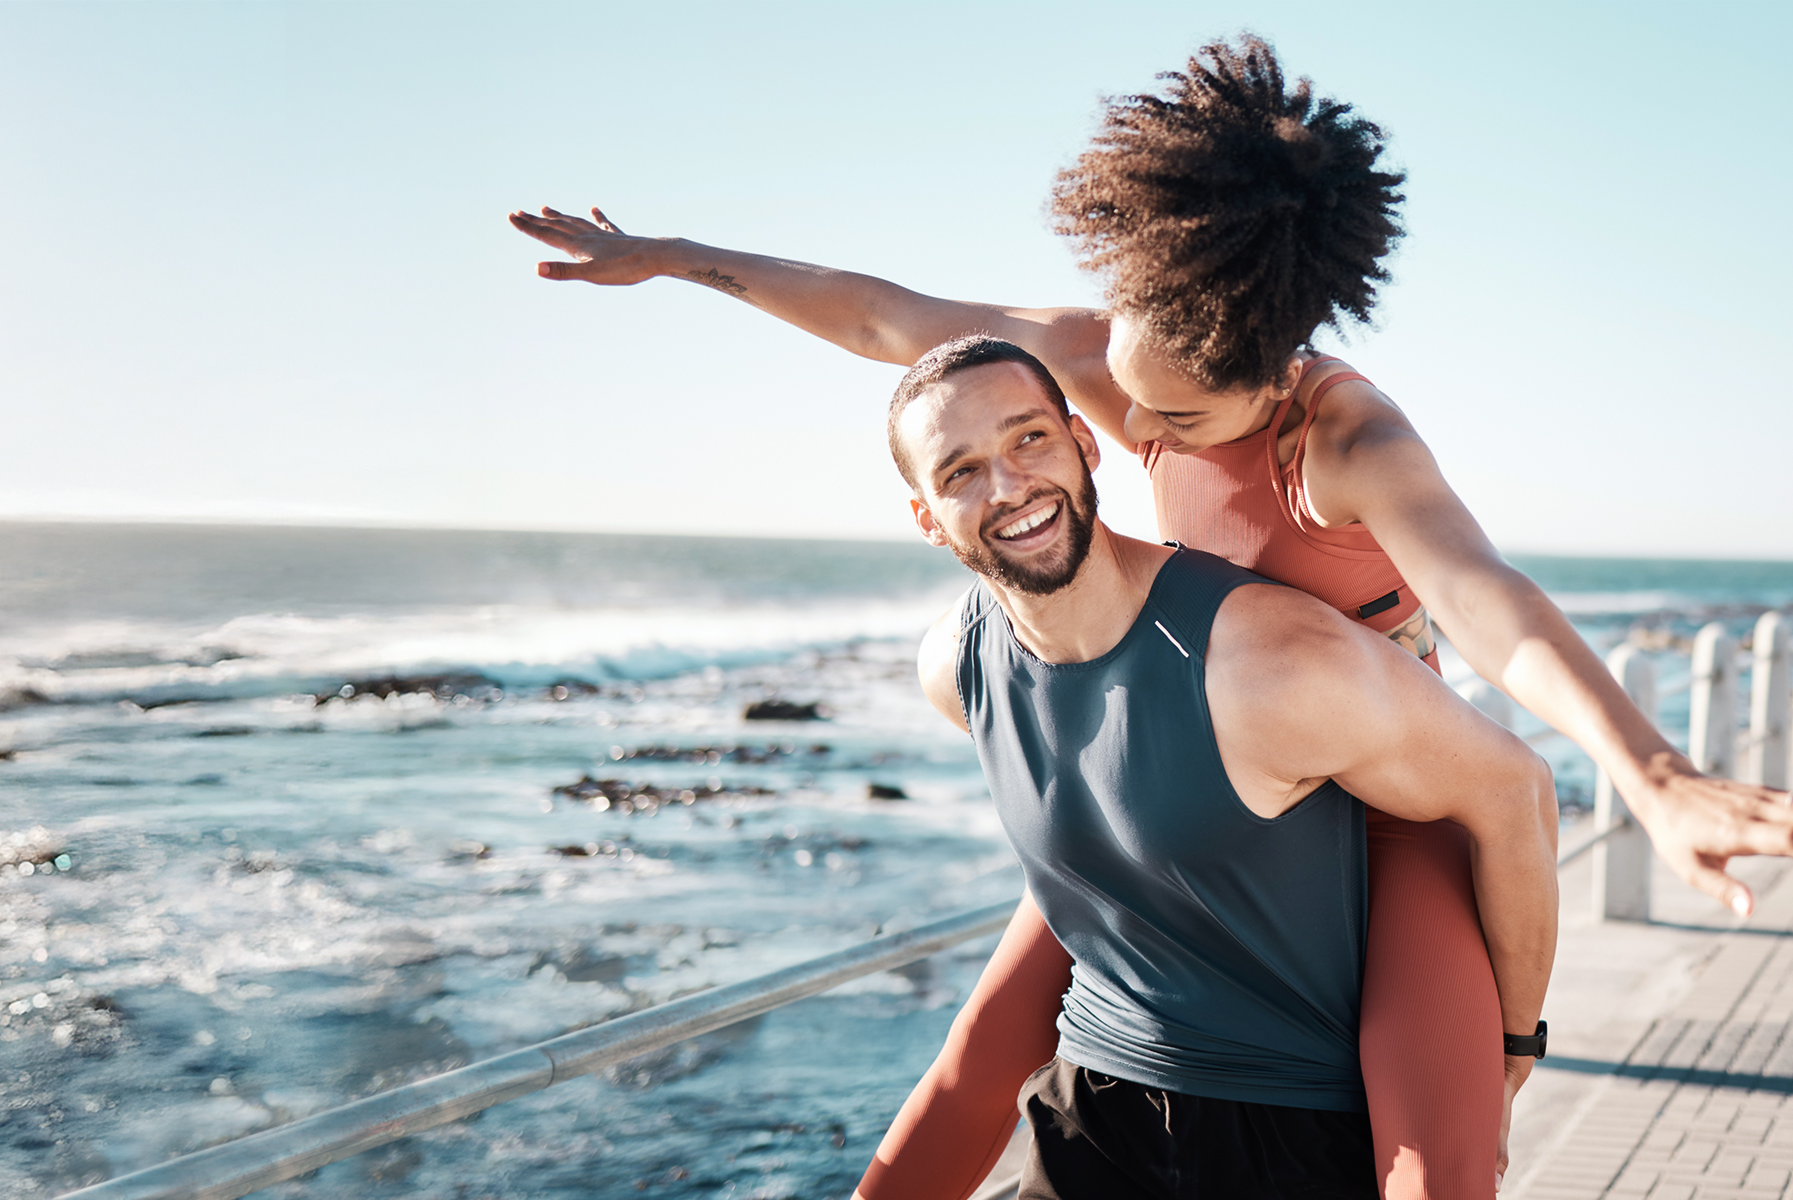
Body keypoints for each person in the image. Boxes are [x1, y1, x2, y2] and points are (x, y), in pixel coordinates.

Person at [508, 33, 1793, 1198]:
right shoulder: (1121, 355)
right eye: (1119, 402)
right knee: (973, 1067)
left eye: (1170, 425)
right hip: (1195, 764)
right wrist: (677, 260)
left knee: (1444, 1156)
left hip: (1377, 787)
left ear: (1267, 376)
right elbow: (877, 317)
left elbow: (1485, 600)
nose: (1129, 438)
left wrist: (1653, 770)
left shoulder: (1342, 440)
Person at [877, 332, 1557, 1198]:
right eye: (961, 471)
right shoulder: (958, 671)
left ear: (1087, 443)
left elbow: (1515, 789)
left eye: (1029, 439)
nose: (1008, 486)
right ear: (928, 519)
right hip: (1094, 1095)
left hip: (1291, 1129)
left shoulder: (1272, 663)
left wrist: (1509, 1047)